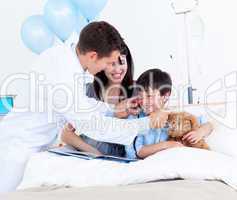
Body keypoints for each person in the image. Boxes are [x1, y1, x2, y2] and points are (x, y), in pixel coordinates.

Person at [0, 21, 161, 192]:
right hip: (18, 148)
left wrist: (112, 109)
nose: (109, 68)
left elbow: (81, 103)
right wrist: (145, 124)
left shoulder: (64, 58)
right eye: (108, 62)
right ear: (93, 56)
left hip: (36, 146)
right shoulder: (61, 71)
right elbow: (92, 125)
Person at [61, 44, 135, 157]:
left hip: (118, 161)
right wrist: (95, 153)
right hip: (87, 155)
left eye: (122, 62)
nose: (117, 69)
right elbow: (66, 134)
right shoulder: (89, 90)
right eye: (112, 64)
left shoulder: (137, 92)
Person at [125, 69, 213, 159]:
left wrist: (199, 132)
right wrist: (167, 145)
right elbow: (136, 151)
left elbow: (209, 125)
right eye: (140, 96)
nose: (143, 101)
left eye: (149, 96)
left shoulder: (175, 115)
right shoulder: (135, 118)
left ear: (165, 96)